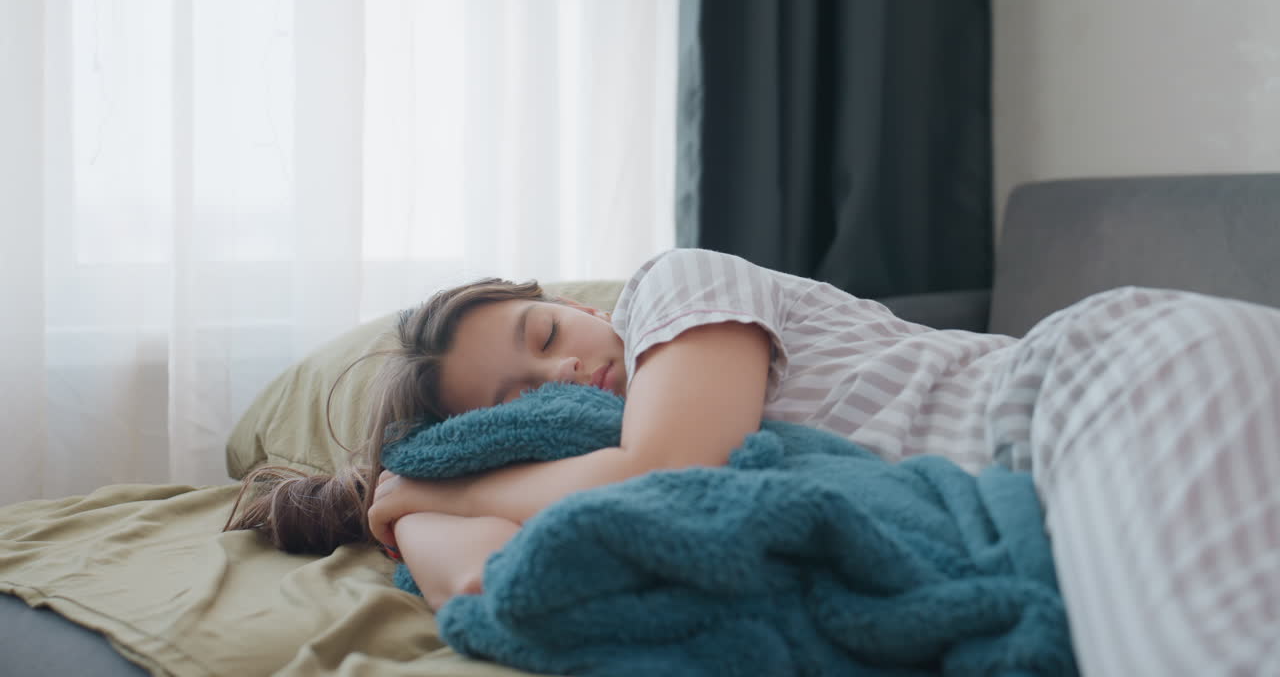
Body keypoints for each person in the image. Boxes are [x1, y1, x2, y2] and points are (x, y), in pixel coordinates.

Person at [226, 247, 1280, 676]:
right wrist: (407, 514)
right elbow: (492, 583)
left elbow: (668, 457)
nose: (569, 373)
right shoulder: (572, 465)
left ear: (580, 305)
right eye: (521, 400)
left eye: (549, 334)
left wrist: (440, 485)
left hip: (1102, 386)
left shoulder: (671, 292)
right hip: (1044, 498)